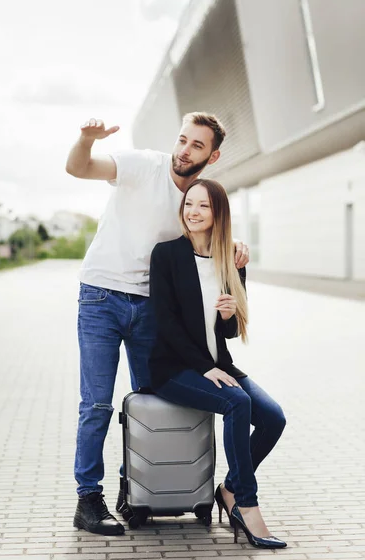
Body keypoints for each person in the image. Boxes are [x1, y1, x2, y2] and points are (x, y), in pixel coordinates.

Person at [66, 113, 250, 535]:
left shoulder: (197, 196)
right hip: (101, 296)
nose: (184, 150)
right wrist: (85, 140)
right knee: (96, 404)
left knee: (154, 403)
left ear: (213, 155)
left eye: (197, 145)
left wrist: (236, 244)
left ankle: (137, 490)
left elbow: (208, 231)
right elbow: (78, 168)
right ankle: (87, 499)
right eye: (182, 139)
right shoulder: (143, 164)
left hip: (150, 306)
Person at [148, 179, 287, 549]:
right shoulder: (165, 255)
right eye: (189, 204)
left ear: (218, 214)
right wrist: (202, 366)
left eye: (203, 206)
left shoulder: (231, 259)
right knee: (236, 402)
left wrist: (228, 314)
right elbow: (166, 322)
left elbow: (226, 330)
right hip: (173, 369)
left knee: (274, 417)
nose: (193, 212)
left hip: (217, 363)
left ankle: (229, 488)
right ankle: (247, 504)